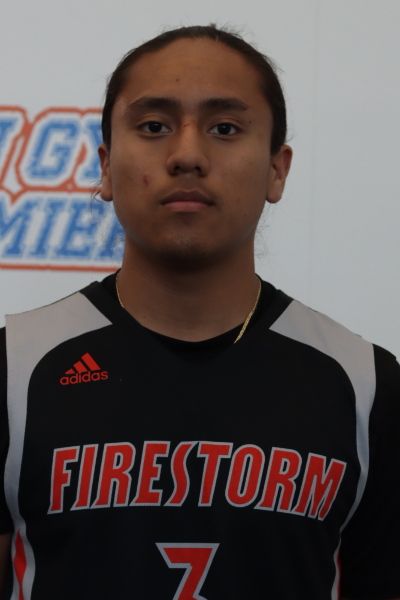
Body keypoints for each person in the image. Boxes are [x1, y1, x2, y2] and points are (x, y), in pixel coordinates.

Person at [0, 24, 399, 600]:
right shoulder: (15, 371)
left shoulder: (365, 386)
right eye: (154, 126)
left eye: (225, 128)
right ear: (106, 166)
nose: (187, 155)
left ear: (277, 169)